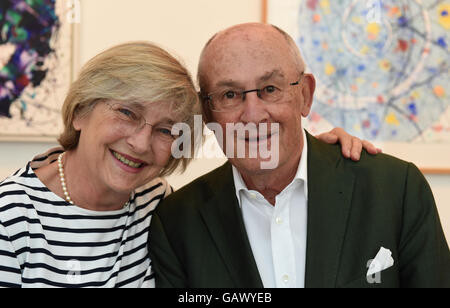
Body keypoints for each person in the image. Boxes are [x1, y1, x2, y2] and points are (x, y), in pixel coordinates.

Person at [0, 41, 371, 288]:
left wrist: (320, 158)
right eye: (128, 113)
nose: (141, 143)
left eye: (164, 130)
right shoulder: (10, 216)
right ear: (80, 110)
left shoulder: (157, 204)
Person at [149, 23, 450, 288]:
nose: (253, 115)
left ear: (305, 95)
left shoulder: (396, 189)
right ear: (207, 112)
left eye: (269, 89)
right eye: (229, 95)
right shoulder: (177, 222)